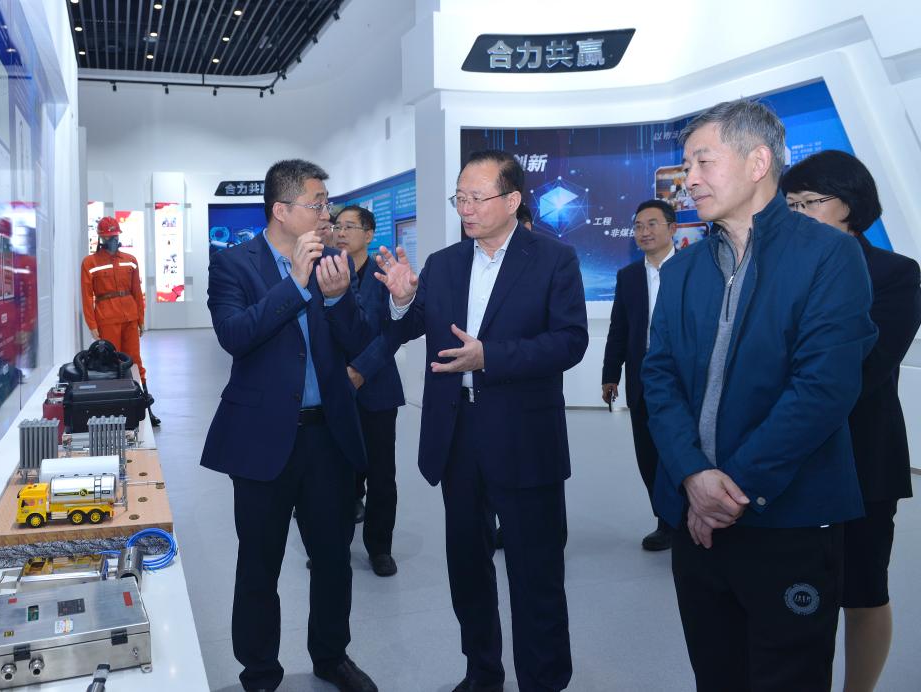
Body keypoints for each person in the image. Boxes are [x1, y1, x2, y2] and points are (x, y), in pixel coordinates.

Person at [641, 99, 877, 691]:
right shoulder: (681, 271)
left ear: (757, 162)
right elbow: (659, 378)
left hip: (789, 516)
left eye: (703, 161)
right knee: (716, 674)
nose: (689, 179)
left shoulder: (830, 255)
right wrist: (693, 476)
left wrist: (732, 487)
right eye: (686, 165)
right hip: (695, 520)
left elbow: (823, 389)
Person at [376, 149, 588, 692]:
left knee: (535, 572)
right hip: (458, 436)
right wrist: (402, 300)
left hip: (525, 435)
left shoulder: (554, 259)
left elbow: (570, 341)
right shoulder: (445, 263)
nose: (465, 209)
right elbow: (413, 325)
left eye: (476, 198)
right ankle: (482, 673)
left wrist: (489, 356)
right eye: (459, 198)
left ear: (512, 200)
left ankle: (543, 680)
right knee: (468, 569)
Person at [200, 159, 378, 692]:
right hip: (262, 440)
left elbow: (359, 340)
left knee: (333, 561)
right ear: (281, 210)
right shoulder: (234, 265)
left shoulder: (334, 261)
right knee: (259, 564)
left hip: (328, 436)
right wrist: (297, 284)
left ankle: (331, 656)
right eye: (317, 203)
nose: (327, 214)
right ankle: (259, 670)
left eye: (327, 203)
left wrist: (339, 297)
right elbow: (235, 335)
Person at [781, 149, 921, 692]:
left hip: (863, 456)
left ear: (850, 204)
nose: (798, 214)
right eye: (791, 204)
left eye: (811, 202)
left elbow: (866, 366)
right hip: (785, 459)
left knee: (863, 592)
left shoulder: (894, 274)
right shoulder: (774, 272)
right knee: (795, 594)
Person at [333, 205, 405, 577]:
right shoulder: (327, 272)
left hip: (377, 388)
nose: (341, 232)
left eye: (350, 226)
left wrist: (360, 369)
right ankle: (334, 546)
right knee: (337, 475)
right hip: (335, 390)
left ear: (369, 233)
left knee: (381, 476)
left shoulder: (385, 275)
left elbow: (394, 333)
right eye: (337, 226)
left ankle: (380, 548)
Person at [602, 199, 677, 551]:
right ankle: (665, 521)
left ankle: (690, 516)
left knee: (680, 449)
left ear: (672, 228)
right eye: (638, 226)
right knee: (648, 454)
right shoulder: (628, 276)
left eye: (651, 224)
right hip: (642, 378)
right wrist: (610, 375)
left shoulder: (693, 267)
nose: (644, 232)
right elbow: (619, 329)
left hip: (684, 379)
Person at [80, 216, 160, 426]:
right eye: (109, 236)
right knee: (110, 363)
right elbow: (87, 296)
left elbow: (136, 292)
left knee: (135, 361)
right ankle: (114, 409)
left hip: (130, 317)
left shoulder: (130, 260)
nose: (113, 240)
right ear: (100, 237)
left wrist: (141, 319)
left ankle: (145, 408)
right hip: (107, 319)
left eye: (115, 235)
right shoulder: (90, 263)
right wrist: (92, 325)